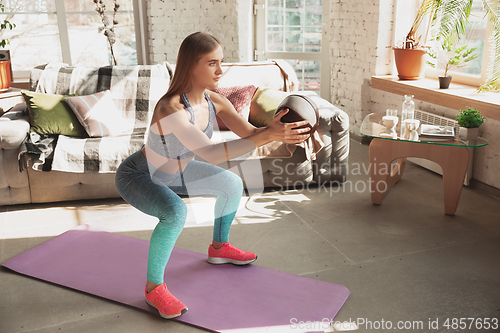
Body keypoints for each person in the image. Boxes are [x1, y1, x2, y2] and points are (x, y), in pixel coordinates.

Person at [115, 31, 311, 319]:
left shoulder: (215, 101)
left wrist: (282, 135)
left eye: (221, 62)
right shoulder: (170, 108)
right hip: (141, 174)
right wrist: (269, 135)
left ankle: (219, 248)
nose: (220, 70)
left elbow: (251, 134)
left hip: (178, 169)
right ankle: (153, 288)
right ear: (191, 65)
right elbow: (213, 154)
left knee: (231, 183)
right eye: (211, 63)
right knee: (175, 212)